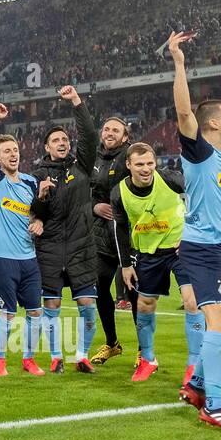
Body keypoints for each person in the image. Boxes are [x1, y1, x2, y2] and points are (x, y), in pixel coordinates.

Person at [167, 32, 221, 434]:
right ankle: (214, 405)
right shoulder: (200, 148)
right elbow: (185, 113)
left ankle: (197, 384)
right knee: (219, 323)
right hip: (200, 249)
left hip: (217, 249)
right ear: (214, 122)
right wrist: (179, 62)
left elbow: (210, 185)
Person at [31, 85, 100, 374]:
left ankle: (81, 355)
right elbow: (34, 214)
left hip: (81, 246)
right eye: (55, 140)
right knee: (53, 305)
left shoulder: (81, 166)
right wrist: (40, 198)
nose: (61, 142)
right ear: (46, 147)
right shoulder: (36, 175)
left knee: (88, 307)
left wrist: (76, 103)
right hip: (49, 248)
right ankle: (56, 356)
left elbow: (90, 137)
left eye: (64, 139)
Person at [0, 104, 47, 377]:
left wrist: (39, 221)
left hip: (29, 256)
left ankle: (29, 359)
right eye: (6, 151)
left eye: (15, 150)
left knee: (35, 313)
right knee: (7, 314)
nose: (13, 154)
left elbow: (37, 214)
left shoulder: (30, 182)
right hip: (3, 256)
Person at [111, 142, 187, 383]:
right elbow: (121, 229)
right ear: (129, 165)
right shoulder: (119, 192)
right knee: (144, 305)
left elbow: (201, 196)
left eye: (150, 163)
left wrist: (192, 234)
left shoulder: (172, 179)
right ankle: (148, 359)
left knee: (192, 301)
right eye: (140, 164)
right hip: (147, 252)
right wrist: (125, 264)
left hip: (180, 248)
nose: (146, 169)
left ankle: (194, 364)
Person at [89, 116, 132, 363]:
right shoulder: (93, 159)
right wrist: (94, 207)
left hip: (129, 233)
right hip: (101, 233)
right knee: (99, 286)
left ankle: (143, 352)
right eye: (106, 129)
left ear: (125, 136)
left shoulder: (130, 156)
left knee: (135, 291)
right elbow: (83, 191)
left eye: (116, 130)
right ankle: (111, 342)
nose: (110, 133)